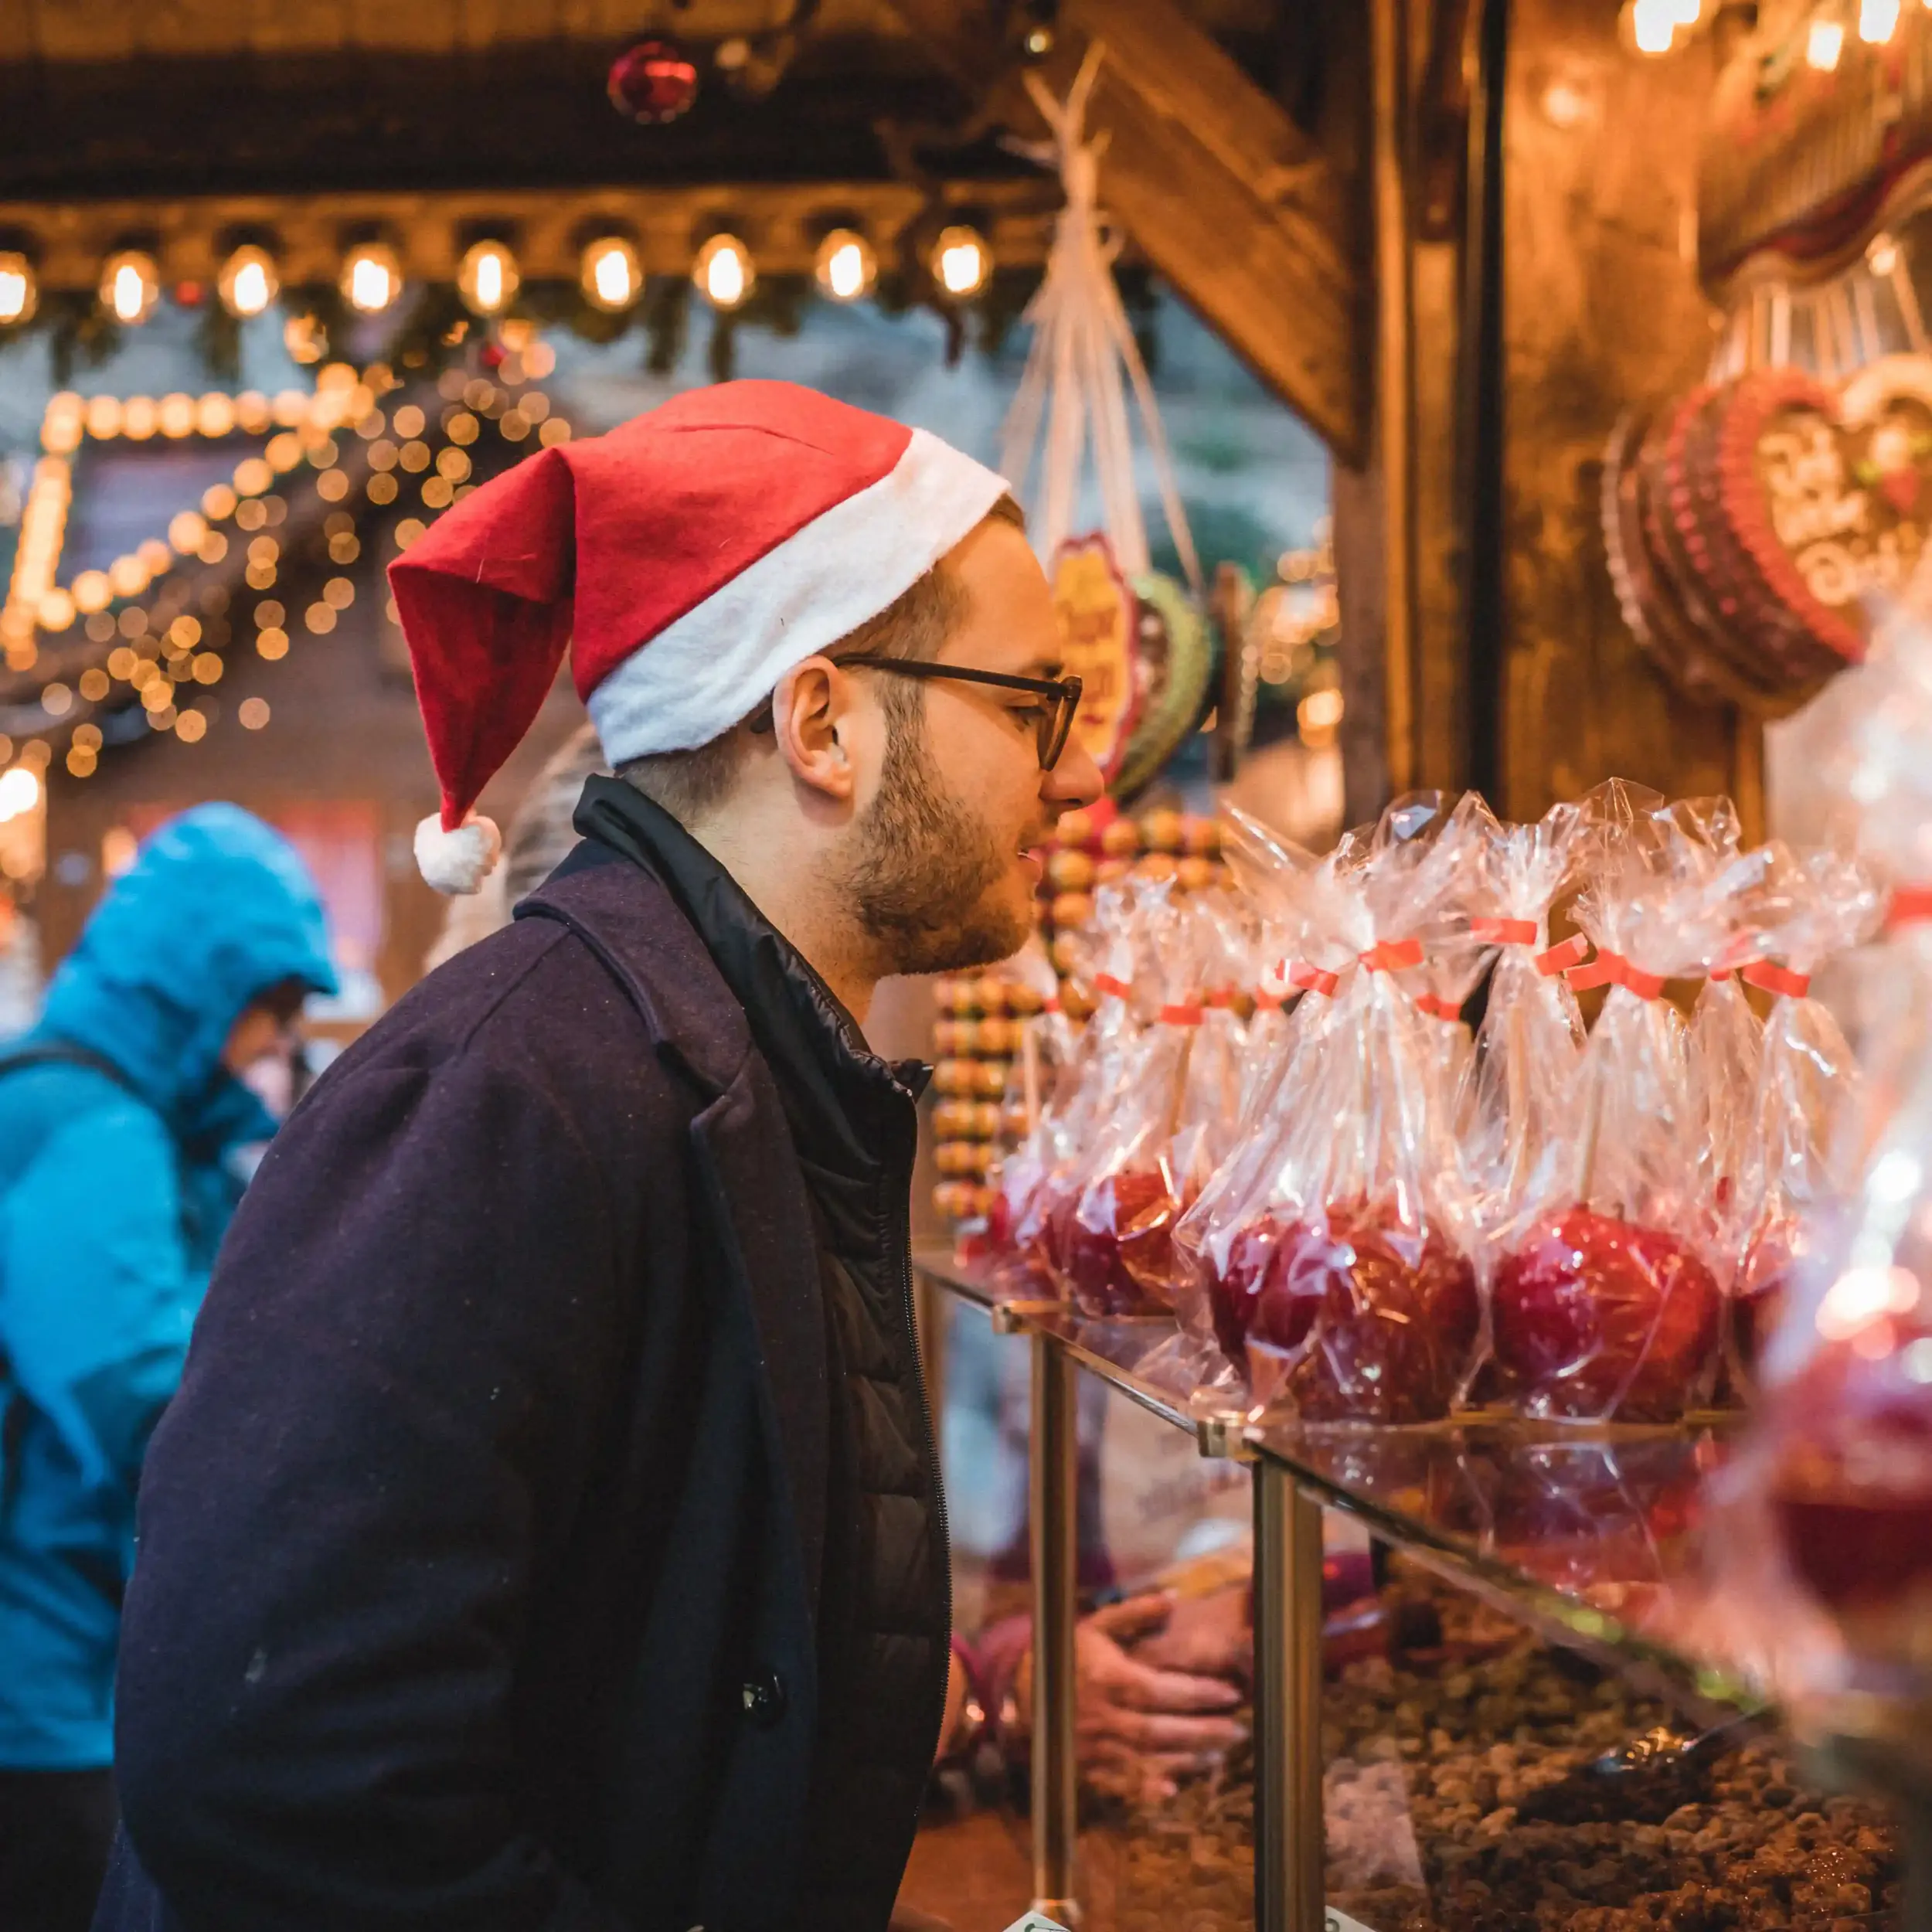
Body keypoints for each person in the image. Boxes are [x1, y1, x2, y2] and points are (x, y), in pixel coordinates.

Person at [94, 381, 1105, 1932]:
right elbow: (270, 1761)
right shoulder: (505, 1089)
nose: (1078, 771)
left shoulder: (726, 1068)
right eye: (1033, 702)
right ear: (821, 721)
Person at [0, 804, 335, 1932]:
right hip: (43, 1702)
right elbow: (151, 1411)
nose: (276, 1045)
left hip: (75, 1675)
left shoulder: (131, 1120)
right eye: (270, 1011)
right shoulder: (90, 1125)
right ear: (202, 985)